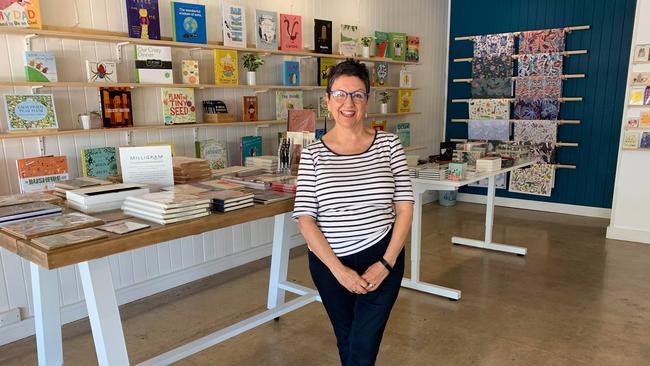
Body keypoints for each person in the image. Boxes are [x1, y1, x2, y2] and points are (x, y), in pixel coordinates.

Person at [293, 59, 414, 366]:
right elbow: (306, 220)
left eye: (357, 95)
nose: (348, 103)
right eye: (340, 94)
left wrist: (385, 264)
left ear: (367, 99)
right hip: (330, 263)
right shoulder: (313, 154)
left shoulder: (389, 145)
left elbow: (405, 209)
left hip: (383, 255)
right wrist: (339, 271)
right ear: (328, 100)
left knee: (363, 342)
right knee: (346, 337)